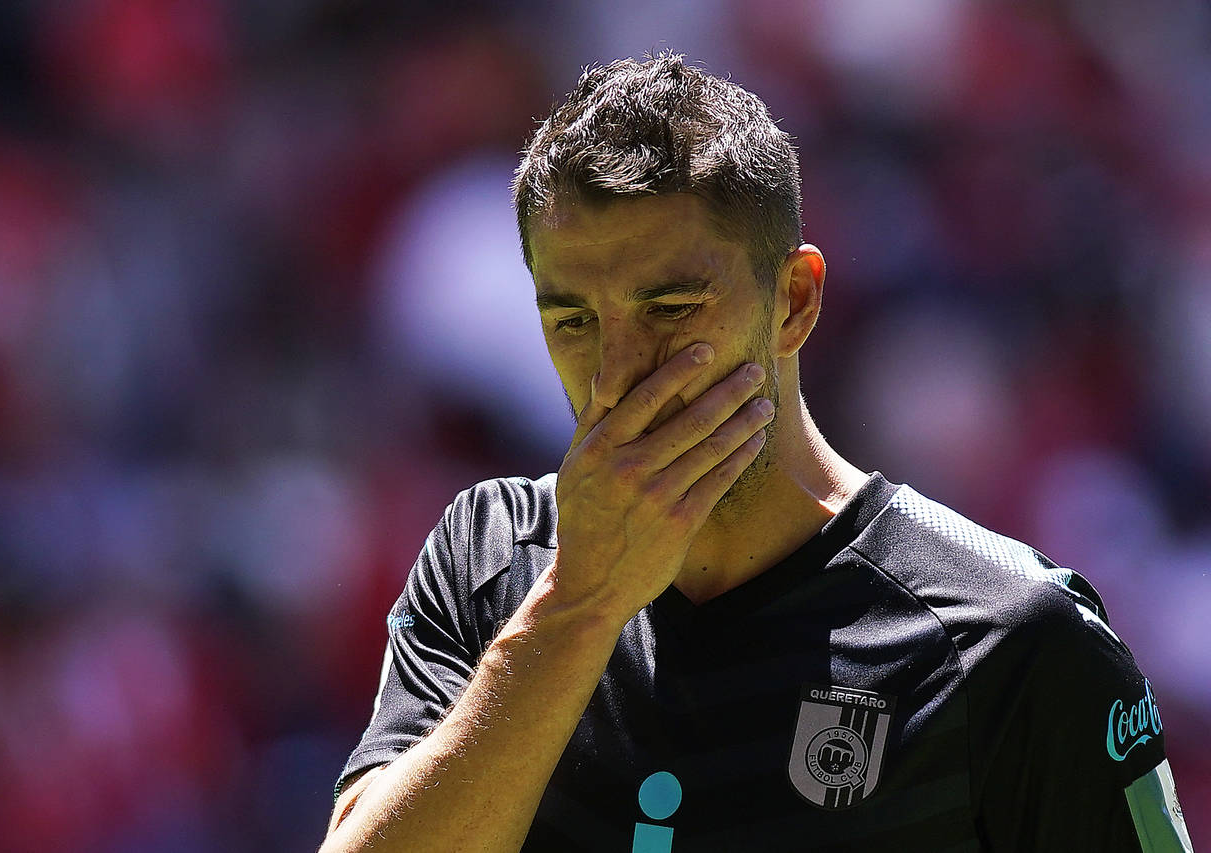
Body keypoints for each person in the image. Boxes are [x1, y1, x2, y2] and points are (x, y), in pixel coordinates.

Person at [319, 54, 1193, 852]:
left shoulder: (1010, 636)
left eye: (670, 309)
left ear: (795, 302)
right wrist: (579, 605)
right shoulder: (488, 559)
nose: (618, 375)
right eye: (573, 321)